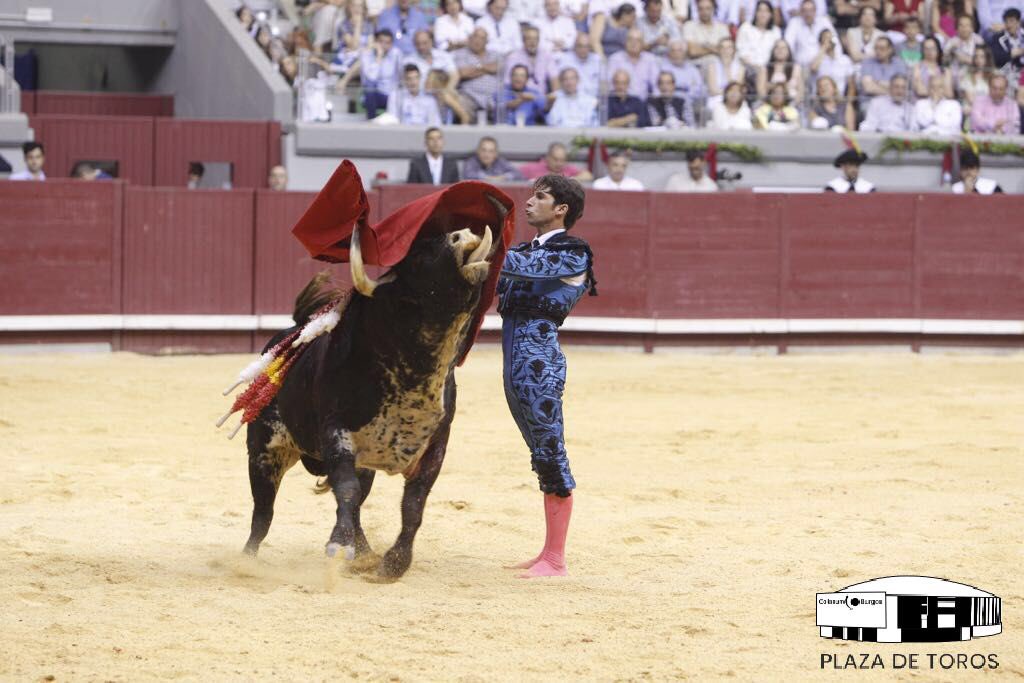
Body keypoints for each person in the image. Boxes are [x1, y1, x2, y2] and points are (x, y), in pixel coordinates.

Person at [498, 174, 596, 578]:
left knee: (550, 449)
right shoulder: (524, 250)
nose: (528, 202)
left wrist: (476, 245)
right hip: (513, 361)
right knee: (539, 450)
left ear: (561, 209)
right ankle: (547, 551)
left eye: (540, 197)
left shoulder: (573, 253)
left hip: (538, 361)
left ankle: (556, 559)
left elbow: (521, 266)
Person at [339, 29, 404, 118]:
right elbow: (371, 79)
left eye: (387, 43)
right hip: (374, 95)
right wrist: (379, 57)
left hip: (392, 95)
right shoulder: (366, 55)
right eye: (381, 42)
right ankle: (371, 121)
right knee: (370, 89)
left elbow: (402, 76)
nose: (384, 45)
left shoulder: (397, 54)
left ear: (391, 44)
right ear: (376, 42)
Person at [454, 28, 502, 121]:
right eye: (475, 37)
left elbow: (498, 67)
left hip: (493, 96)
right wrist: (487, 68)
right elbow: (463, 73)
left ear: (486, 41)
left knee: (506, 101)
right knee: (460, 102)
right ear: (470, 38)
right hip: (469, 96)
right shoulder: (460, 54)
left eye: (482, 38)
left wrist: (476, 68)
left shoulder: (495, 55)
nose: (477, 40)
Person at [502, 25, 558, 93]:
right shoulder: (513, 57)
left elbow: (555, 78)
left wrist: (555, 97)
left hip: (542, 98)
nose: (533, 42)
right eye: (529, 39)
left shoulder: (546, 55)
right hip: (521, 97)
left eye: (535, 39)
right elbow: (507, 83)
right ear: (523, 40)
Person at [783, 0, 840, 68]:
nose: (808, 13)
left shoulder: (824, 21)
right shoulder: (794, 23)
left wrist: (837, 58)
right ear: (800, 12)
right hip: (802, 67)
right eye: (805, 10)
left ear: (815, 11)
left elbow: (835, 41)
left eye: (811, 10)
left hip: (824, 64)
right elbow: (788, 45)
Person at [683, 0, 730, 70]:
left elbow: (726, 51)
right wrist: (714, 49)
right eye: (701, 9)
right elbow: (692, 51)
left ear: (713, 9)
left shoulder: (722, 28)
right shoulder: (689, 25)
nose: (704, 12)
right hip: (696, 65)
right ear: (697, 10)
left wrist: (702, 47)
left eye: (708, 8)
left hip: (719, 65)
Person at [736, 0, 781, 72]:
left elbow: (778, 53)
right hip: (748, 68)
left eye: (766, 11)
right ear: (755, 13)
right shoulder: (745, 27)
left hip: (768, 69)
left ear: (771, 14)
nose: (763, 14)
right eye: (760, 10)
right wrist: (754, 66)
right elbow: (741, 51)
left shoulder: (776, 31)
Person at [810, 28, 854, 96]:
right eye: (826, 38)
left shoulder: (845, 59)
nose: (829, 40)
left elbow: (851, 84)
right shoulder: (817, 59)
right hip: (820, 99)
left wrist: (849, 103)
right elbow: (813, 68)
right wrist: (824, 47)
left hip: (839, 100)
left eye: (831, 37)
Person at [520, 142, 594, 181]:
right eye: (555, 159)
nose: (559, 163)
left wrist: (571, 180)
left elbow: (588, 176)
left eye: (562, 160)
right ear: (548, 157)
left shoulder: (568, 169)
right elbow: (515, 174)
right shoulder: (533, 168)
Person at [991, 8, 1024, 82]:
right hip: (1006, 74)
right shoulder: (997, 38)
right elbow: (996, 58)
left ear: (1018, 22)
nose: (1009, 25)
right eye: (1006, 22)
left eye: (1012, 21)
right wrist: (1014, 53)